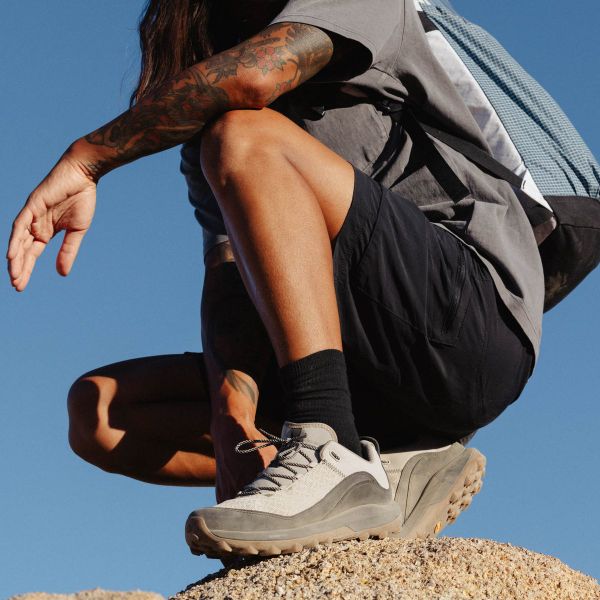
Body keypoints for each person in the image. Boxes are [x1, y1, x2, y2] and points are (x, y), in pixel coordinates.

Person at [7, 0, 537, 558]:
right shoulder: (209, 136)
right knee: (98, 415)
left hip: (468, 324)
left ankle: (327, 448)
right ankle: (384, 466)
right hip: (362, 371)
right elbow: (229, 277)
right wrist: (230, 420)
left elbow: (255, 76)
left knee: (243, 132)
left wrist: (88, 158)